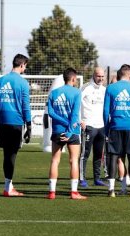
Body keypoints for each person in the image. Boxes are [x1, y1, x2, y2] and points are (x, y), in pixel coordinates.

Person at [103, 64, 130, 198]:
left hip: (115, 127)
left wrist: (107, 128)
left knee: (114, 157)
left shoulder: (110, 88)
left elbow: (105, 112)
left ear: (120, 74)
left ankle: (111, 190)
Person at [47, 68, 86, 200]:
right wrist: (69, 130)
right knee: (73, 161)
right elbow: (75, 115)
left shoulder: (54, 93)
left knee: (54, 160)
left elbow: (51, 113)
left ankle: (52, 192)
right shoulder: (76, 92)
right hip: (73, 132)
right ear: (74, 79)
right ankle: (74, 192)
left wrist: (63, 122)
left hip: (57, 131)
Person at [0, 54, 32, 197]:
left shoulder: (0, 81)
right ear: (22, 65)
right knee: (11, 156)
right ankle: (8, 188)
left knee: (6, 155)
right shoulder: (22, 83)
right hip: (15, 123)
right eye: (25, 66)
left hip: (2, 123)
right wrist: (29, 126)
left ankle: (8, 185)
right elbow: (25, 106)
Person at [79, 67, 107, 187]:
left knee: (98, 154)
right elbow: (77, 104)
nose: (100, 78)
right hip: (88, 125)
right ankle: (81, 178)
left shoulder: (105, 90)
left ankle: (97, 178)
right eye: (98, 76)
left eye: (102, 76)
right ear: (93, 75)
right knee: (84, 154)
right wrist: (81, 121)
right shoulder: (85, 88)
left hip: (101, 126)